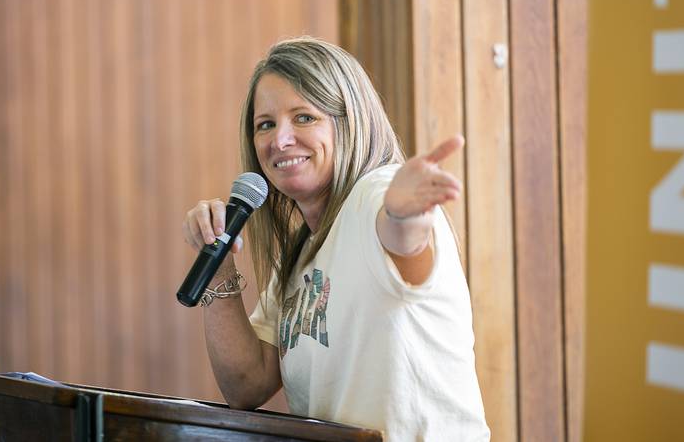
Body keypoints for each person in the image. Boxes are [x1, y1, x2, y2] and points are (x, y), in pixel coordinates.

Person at [182, 37, 490, 441]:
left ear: (350, 121)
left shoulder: (374, 196)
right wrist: (219, 262)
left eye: (304, 117)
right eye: (266, 124)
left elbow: (403, 240)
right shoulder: (303, 251)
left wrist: (405, 214)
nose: (280, 140)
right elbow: (246, 384)